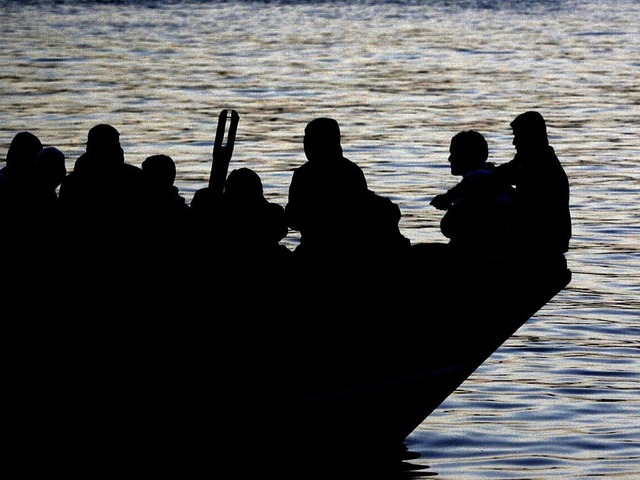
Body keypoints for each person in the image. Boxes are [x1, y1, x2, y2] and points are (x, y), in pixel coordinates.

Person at [431, 112, 571, 269]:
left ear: (531, 136)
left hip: (543, 240)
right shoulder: (529, 159)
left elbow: (495, 180)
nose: (514, 142)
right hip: (535, 236)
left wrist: (450, 196)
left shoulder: (540, 165)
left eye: (518, 136)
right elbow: (499, 175)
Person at [284, 117, 409, 269]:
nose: (305, 145)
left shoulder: (305, 175)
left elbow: (293, 219)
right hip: (343, 252)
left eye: (309, 140)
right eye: (306, 140)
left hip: (320, 251)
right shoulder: (350, 171)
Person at [432, 130, 517, 260]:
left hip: (484, 258)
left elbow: (450, 226)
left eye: (453, 153)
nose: (449, 159)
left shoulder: (476, 183)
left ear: (465, 156)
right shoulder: (493, 179)